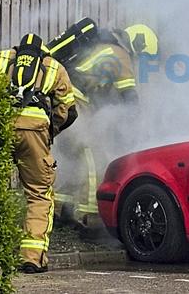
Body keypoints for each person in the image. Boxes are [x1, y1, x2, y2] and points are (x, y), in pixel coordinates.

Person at [46, 20, 158, 220]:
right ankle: (92, 214)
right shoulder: (121, 55)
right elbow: (129, 98)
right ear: (138, 45)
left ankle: (59, 209)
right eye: (142, 56)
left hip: (60, 99)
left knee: (69, 155)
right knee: (92, 153)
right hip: (74, 99)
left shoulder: (103, 47)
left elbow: (99, 91)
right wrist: (139, 127)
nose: (139, 60)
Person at [0, 33, 77, 273]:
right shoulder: (53, 66)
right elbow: (69, 110)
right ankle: (32, 258)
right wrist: (50, 130)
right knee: (39, 194)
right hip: (35, 132)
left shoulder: (2, 58)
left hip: (1, 127)